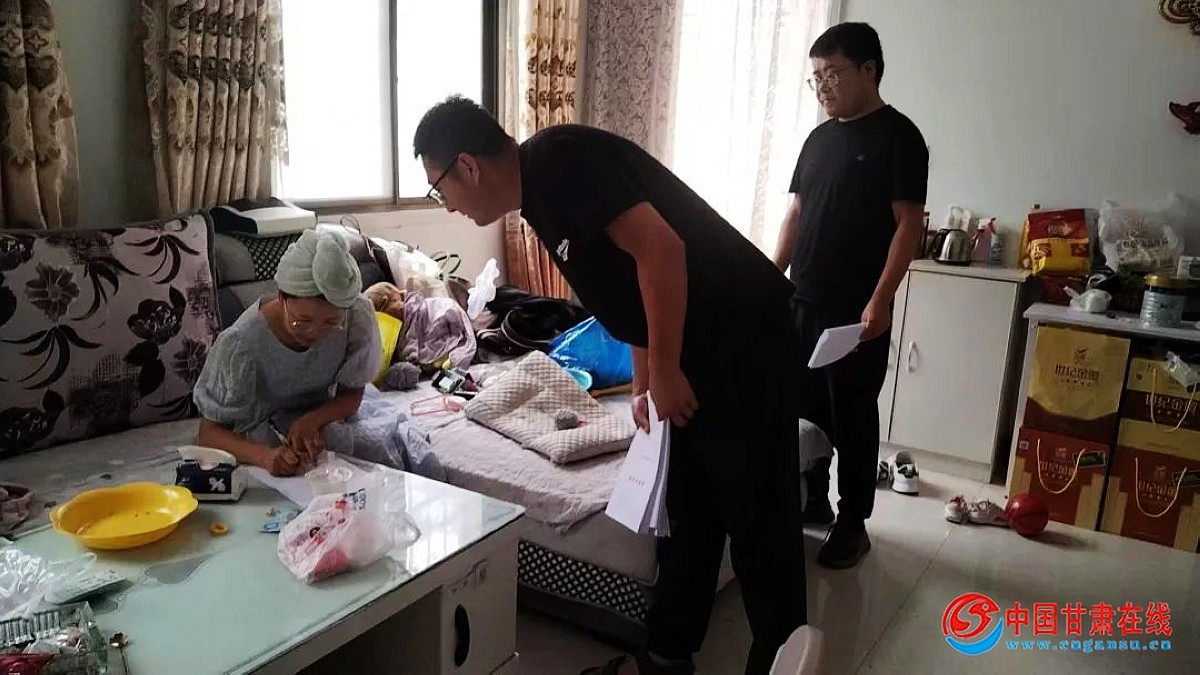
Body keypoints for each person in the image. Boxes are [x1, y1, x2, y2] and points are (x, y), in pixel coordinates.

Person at [413, 97, 807, 675]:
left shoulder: (560, 161)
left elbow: (661, 249)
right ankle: (666, 657)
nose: (446, 204)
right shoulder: (537, 197)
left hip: (740, 337)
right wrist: (645, 379)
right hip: (695, 340)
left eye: (439, 187)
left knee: (756, 511)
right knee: (688, 506)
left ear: (467, 166)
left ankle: (784, 659)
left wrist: (665, 368)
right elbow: (627, 289)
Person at [772, 22, 929, 569]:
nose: (822, 86)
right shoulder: (818, 140)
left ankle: (853, 522)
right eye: (815, 77)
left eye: (832, 74)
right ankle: (812, 497)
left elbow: (908, 224)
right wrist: (771, 279)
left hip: (854, 313)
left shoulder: (899, 137)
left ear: (868, 70)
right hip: (802, 300)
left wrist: (880, 300)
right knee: (802, 407)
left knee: (853, 416)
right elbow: (796, 213)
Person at [195, 229, 382, 476]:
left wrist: (312, 420)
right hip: (261, 433)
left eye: (331, 323)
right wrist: (264, 457)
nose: (315, 333)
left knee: (372, 456)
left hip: (321, 417)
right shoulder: (241, 344)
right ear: (282, 297)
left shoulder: (356, 316)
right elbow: (209, 434)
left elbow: (351, 395)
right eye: (302, 320)